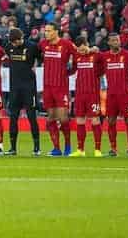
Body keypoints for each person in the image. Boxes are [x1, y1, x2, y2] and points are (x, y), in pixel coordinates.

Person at [39, 23, 76, 157]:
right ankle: (56, 148)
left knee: (63, 118)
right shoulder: (43, 44)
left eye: (49, 31)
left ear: (56, 32)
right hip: (48, 87)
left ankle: (67, 146)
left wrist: (70, 71)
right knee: (51, 118)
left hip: (61, 87)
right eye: (45, 31)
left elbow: (79, 55)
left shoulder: (67, 44)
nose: (46, 33)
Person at [4, 28, 40, 156]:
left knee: (31, 117)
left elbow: (40, 58)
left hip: (29, 87)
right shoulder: (8, 47)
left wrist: (34, 66)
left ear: (21, 38)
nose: (14, 45)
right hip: (14, 87)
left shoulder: (32, 47)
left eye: (16, 42)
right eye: (12, 43)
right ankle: (13, 148)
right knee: (13, 117)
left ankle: (37, 148)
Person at [101, 33, 128, 157]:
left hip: (125, 94)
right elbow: (97, 69)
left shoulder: (127, 55)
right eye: (113, 40)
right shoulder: (104, 56)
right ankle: (113, 149)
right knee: (111, 121)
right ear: (109, 43)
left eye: (117, 40)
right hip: (111, 94)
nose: (116, 42)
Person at [70, 35, 104, 158]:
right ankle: (80, 149)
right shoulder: (76, 56)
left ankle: (98, 149)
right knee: (79, 120)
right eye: (80, 50)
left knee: (95, 120)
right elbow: (72, 69)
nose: (82, 52)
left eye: (84, 49)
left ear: (87, 44)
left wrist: (96, 49)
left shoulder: (97, 55)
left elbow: (104, 65)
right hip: (80, 94)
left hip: (93, 94)